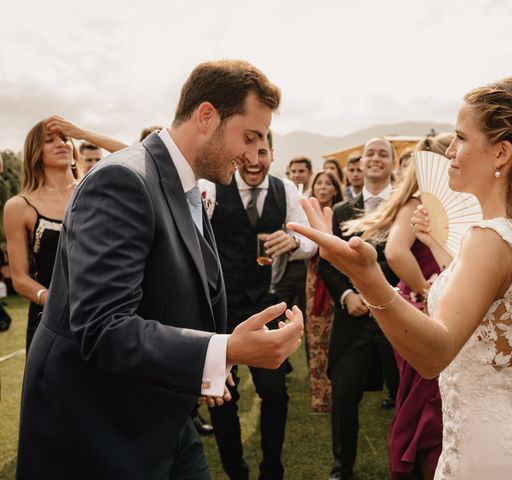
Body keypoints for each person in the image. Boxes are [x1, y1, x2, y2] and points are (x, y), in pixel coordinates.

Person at [14, 60, 304, 480]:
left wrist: (202, 371)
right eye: (250, 136)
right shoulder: (123, 180)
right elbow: (103, 326)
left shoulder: (185, 184)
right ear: (207, 117)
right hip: (96, 429)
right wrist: (227, 351)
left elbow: (164, 294)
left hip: (162, 417)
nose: (252, 154)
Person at [290, 77, 512, 479]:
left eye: (461, 137)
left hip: (490, 453)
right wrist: (441, 250)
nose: (448, 150)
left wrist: (366, 275)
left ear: (501, 153)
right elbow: (488, 307)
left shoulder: (490, 238)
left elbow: (434, 355)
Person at [199, 130, 315, 480]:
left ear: (272, 155)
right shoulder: (212, 188)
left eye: (262, 152)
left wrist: (294, 240)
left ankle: (272, 468)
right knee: (220, 395)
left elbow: (312, 242)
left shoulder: (287, 190)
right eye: (248, 151)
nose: (254, 160)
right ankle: (236, 470)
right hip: (217, 308)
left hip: (264, 305)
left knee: (275, 394)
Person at [354, 133, 453, 480]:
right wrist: (427, 291)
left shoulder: (453, 202)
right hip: (422, 309)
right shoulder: (419, 201)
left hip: (453, 308)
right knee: (430, 407)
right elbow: (395, 252)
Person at [3, 116, 126, 352]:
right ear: (34, 152)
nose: (60, 144)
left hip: (103, 314)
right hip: (50, 319)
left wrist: (82, 133)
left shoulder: (95, 187)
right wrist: (58, 302)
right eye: (49, 140)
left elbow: (141, 157)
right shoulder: (20, 206)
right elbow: (20, 279)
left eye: (65, 139)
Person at [318, 137, 400, 480]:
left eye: (384, 153)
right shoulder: (340, 212)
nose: (376, 158)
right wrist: (348, 295)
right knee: (345, 394)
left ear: (393, 164)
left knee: (405, 396)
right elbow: (328, 263)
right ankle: (342, 467)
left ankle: (406, 466)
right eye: (370, 153)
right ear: (361, 164)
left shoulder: (406, 206)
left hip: (398, 318)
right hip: (354, 319)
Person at [305, 170, 343, 413]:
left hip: (341, 277)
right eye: (319, 182)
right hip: (314, 279)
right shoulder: (306, 213)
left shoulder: (343, 213)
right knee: (316, 338)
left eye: (328, 183)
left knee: (336, 339)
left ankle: (339, 390)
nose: (323, 187)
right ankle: (320, 395)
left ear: (335, 188)